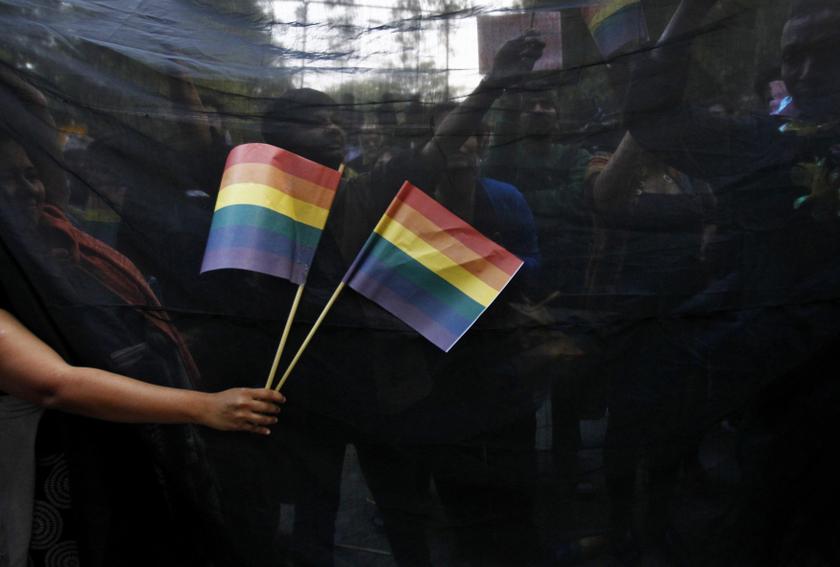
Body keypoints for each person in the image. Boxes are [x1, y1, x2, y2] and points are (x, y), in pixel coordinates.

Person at [0, 133, 285, 567]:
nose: (26, 189)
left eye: (29, 174)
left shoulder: (60, 249)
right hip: (46, 475)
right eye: (5, 179)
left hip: (116, 456)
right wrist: (205, 407)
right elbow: (55, 385)